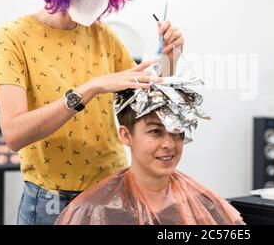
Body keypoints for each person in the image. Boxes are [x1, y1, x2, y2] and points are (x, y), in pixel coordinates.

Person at [0, 0, 184, 225]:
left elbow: (150, 105)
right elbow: (13, 134)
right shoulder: (13, 38)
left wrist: (169, 59)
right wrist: (88, 90)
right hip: (50, 202)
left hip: (110, 191)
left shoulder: (105, 38)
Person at [56, 75, 244, 225]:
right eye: (155, 131)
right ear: (126, 135)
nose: (169, 144)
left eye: (177, 132)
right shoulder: (95, 210)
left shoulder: (203, 203)